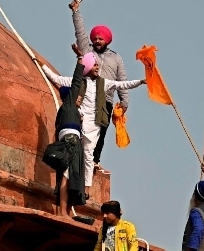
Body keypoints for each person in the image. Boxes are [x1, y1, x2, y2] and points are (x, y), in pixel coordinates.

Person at [41, 51, 145, 196]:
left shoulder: (104, 83)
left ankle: (86, 189)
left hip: (94, 125)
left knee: (89, 156)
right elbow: (56, 79)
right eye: (95, 65)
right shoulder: (78, 83)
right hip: (79, 123)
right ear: (88, 66)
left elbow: (122, 84)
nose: (97, 67)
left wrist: (140, 82)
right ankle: (68, 186)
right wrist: (41, 65)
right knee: (74, 155)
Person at [69, 0, 127, 174]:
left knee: (101, 131)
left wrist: (124, 102)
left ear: (107, 40)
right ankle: (78, 157)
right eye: (95, 39)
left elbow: (122, 80)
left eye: (101, 38)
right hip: (87, 96)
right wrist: (76, 12)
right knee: (84, 129)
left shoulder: (116, 58)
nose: (97, 41)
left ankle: (94, 160)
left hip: (106, 100)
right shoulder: (88, 51)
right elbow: (81, 34)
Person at [53, 56, 88, 216]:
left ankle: (66, 210)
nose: (79, 98)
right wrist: (80, 61)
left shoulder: (66, 112)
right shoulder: (68, 105)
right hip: (71, 143)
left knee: (71, 177)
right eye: (77, 96)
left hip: (71, 143)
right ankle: (63, 211)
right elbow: (76, 82)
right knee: (67, 177)